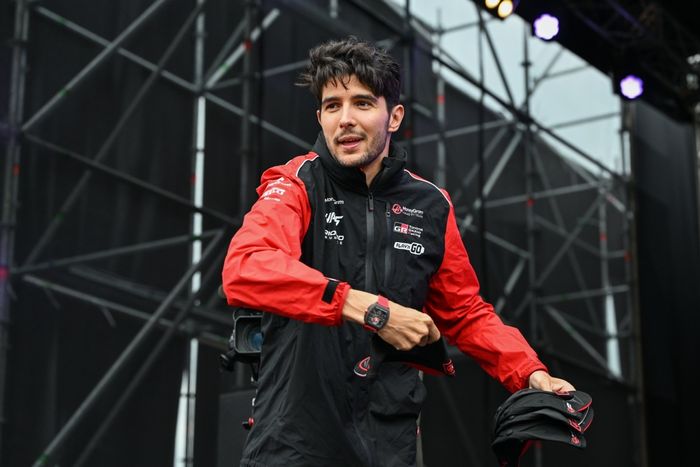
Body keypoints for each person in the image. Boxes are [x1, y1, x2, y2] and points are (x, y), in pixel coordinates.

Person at [221, 36, 574, 467]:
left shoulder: (431, 204)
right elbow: (246, 267)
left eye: (362, 103)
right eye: (332, 106)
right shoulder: (297, 182)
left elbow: (465, 312)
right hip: (294, 441)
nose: (345, 120)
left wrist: (530, 372)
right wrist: (373, 310)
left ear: (394, 116)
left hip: (389, 443)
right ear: (320, 117)